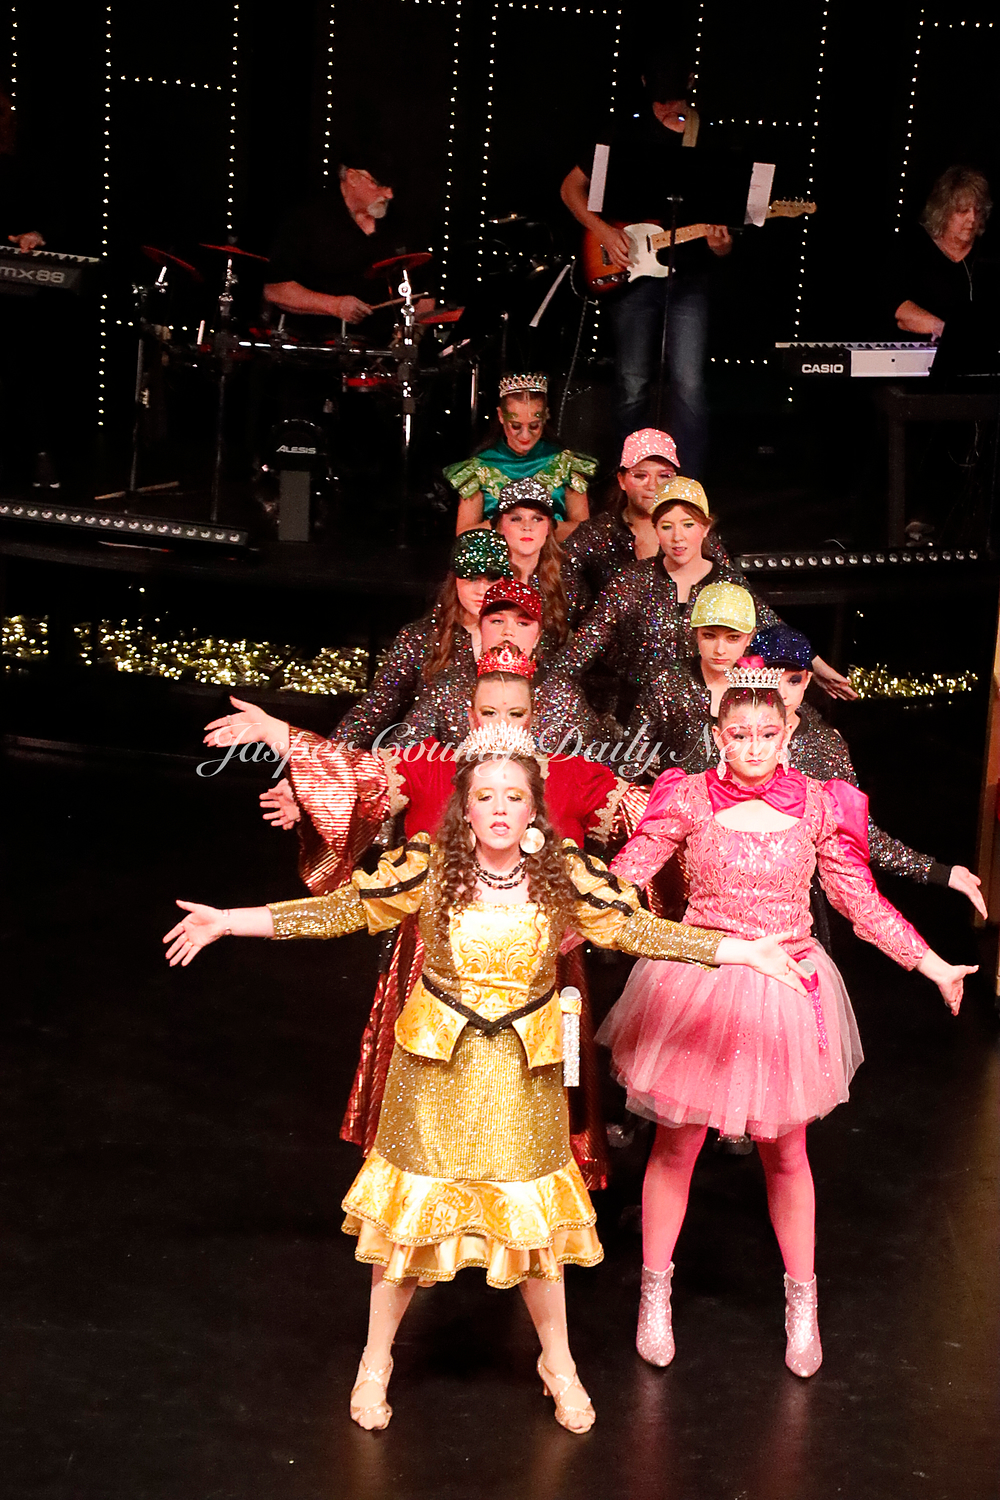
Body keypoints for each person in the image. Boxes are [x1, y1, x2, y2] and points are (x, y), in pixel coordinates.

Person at [165, 741, 801, 1430]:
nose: (500, 809)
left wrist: (741, 951)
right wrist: (230, 921)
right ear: (464, 809)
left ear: (534, 810)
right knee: (408, 1223)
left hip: (522, 1077)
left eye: (514, 797)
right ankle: (375, 1360)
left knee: (534, 1228)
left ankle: (557, 1363)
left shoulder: (564, 874)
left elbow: (641, 930)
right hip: (434, 1077)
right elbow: (340, 912)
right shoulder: (428, 867)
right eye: (486, 797)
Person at [599, 660, 976, 1377]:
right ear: (718, 736)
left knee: (788, 1153)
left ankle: (802, 1304)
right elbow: (624, 877)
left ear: (786, 734)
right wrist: (549, 932)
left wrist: (931, 964)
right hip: (702, 980)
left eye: (766, 734)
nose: (753, 746)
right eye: (739, 734)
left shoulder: (818, 804)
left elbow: (858, 901)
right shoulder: (688, 798)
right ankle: (655, 1295)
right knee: (675, 1147)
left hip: (787, 990)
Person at [204, 648, 653, 1192]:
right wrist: (285, 738)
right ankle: (422, 1190)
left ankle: (538, 1192)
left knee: (540, 1099)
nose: (503, 725)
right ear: (471, 715)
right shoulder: (428, 766)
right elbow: (355, 779)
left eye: (516, 714)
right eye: (490, 713)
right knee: (430, 1097)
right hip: (434, 963)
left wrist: (599, 903)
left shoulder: (574, 777)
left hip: (543, 967)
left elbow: (657, 826)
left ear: (534, 716)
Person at [551, 477, 854, 718]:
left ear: (705, 528)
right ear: (655, 529)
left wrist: (816, 665)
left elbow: (770, 626)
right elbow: (585, 644)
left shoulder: (726, 581)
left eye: (688, 525)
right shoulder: (632, 580)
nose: (677, 537)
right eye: (667, 526)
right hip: (636, 714)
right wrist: (544, 687)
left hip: (709, 715)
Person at [560, 58, 731, 470]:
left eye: (673, 96)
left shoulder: (708, 136)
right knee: (631, 382)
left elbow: (723, 241)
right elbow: (570, 188)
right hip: (635, 276)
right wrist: (603, 231)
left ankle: (687, 484)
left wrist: (720, 245)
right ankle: (628, 478)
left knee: (689, 385)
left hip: (690, 276)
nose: (665, 106)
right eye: (659, 97)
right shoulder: (624, 131)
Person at [751, 623, 986, 913]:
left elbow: (859, 831)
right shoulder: (728, 734)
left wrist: (939, 872)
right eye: (771, 678)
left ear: (808, 679)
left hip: (792, 900)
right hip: (726, 883)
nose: (782, 693)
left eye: (793, 680)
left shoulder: (825, 744)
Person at [335, 529, 512, 749]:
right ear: (454, 579)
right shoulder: (420, 637)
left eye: (492, 578)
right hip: (431, 760)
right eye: (470, 578)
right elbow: (375, 707)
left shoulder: (525, 635)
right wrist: (330, 758)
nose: (481, 589)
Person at [398, 579, 601, 751]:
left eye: (522, 623)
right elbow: (401, 754)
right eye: (497, 621)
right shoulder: (447, 688)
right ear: (480, 627)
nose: (508, 632)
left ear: (538, 636)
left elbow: (601, 766)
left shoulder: (562, 695)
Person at [264, 145, 429, 331]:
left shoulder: (402, 224)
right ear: (352, 177)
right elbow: (275, 290)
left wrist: (413, 335)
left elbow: (425, 293)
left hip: (385, 343)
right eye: (380, 185)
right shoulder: (306, 219)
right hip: (315, 341)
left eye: (391, 186)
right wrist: (334, 306)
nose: (389, 194)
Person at [622, 579, 756, 776]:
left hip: (749, 792)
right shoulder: (667, 683)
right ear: (695, 634)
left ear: (749, 637)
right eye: (709, 636)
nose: (720, 649)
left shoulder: (761, 686)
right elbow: (633, 754)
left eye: (733, 637)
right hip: (679, 792)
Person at [446, 373, 595, 541]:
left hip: (553, 556)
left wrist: (543, 525)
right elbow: (464, 537)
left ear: (545, 416)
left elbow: (584, 531)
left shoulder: (565, 464)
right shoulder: (479, 468)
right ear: (501, 416)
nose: (525, 435)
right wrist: (501, 524)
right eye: (516, 426)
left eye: (534, 426)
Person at [894, 166, 993, 350]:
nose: (972, 219)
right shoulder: (914, 248)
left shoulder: (988, 252)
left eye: (977, 211)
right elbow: (899, 309)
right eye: (963, 211)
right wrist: (942, 328)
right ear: (943, 212)